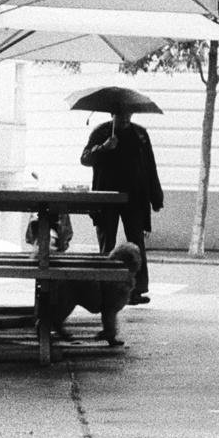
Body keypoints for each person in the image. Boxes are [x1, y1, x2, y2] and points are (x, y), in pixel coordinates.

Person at [80, 106, 164, 303]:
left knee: (136, 244)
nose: (125, 118)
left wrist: (156, 196)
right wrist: (103, 148)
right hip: (106, 196)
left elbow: (150, 165)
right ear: (112, 114)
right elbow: (85, 159)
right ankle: (104, 288)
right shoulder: (101, 132)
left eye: (128, 114)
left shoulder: (140, 134)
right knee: (106, 243)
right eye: (120, 114)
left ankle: (136, 289)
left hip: (134, 197)